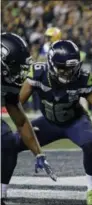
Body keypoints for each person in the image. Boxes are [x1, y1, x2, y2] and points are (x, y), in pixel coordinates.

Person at [14, 40, 92, 205]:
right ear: (51, 65)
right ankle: (3, 189)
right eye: (63, 68)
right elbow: (16, 105)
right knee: (10, 143)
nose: (68, 73)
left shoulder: (81, 78)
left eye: (72, 68)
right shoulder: (38, 74)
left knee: (89, 143)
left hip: (75, 122)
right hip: (48, 123)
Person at [1, 32, 56, 204]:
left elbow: (21, 120)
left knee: (7, 141)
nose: (20, 72)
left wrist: (38, 153)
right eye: (16, 66)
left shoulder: (7, 80)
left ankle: (1, 193)